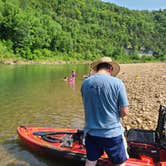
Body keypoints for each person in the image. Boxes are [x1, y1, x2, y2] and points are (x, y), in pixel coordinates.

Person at [81, 57, 129, 166]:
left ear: (97, 68)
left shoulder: (85, 83)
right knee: (120, 163)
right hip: (111, 134)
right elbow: (125, 112)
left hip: (91, 133)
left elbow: (88, 105)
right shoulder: (118, 83)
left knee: (90, 162)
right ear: (110, 68)